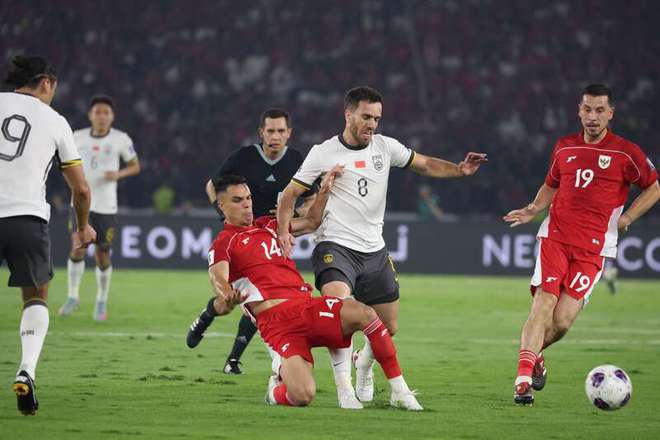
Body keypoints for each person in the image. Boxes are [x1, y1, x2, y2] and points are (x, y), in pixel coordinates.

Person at [276, 86, 487, 408]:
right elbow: (289, 194)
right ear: (348, 114)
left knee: (389, 327)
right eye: (366, 117)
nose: (372, 124)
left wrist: (459, 170)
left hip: (374, 250)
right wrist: (282, 231)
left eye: (376, 118)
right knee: (339, 311)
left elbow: (425, 164)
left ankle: (363, 364)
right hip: (335, 245)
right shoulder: (323, 153)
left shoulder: (385, 147)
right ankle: (345, 391)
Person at [206, 172, 422, 410]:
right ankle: (275, 392)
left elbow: (311, 222)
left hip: (307, 306)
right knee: (303, 395)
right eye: (237, 200)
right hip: (278, 324)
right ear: (221, 205)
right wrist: (227, 294)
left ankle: (400, 391)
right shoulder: (224, 242)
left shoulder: (270, 226)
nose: (247, 204)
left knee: (366, 314)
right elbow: (218, 278)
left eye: (248, 198)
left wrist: (324, 192)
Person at [503, 84, 659, 405]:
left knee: (561, 321)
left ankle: (535, 355)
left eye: (600, 110)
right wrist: (533, 208)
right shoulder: (564, 147)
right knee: (544, 303)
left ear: (610, 114)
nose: (593, 116)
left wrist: (628, 217)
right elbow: (551, 184)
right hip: (555, 237)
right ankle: (522, 381)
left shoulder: (626, 152)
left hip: (594, 248)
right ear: (579, 111)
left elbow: (654, 187)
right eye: (587, 109)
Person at [0, 55, 96, 415]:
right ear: (46, 82)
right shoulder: (55, 121)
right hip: (26, 218)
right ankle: (26, 369)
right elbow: (81, 189)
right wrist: (82, 227)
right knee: (35, 296)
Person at [187, 108, 315, 375]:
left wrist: (294, 216)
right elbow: (212, 186)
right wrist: (222, 214)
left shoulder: (296, 160)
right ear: (261, 133)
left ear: (289, 133)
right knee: (230, 301)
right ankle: (209, 317)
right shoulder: (244, 157)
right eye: (270, 131)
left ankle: (233, 360)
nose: (275, 136)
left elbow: (310, 198)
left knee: (266, 295)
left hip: (272, 234)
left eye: (281, 131)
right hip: (243, 236)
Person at [57, 95, 140, 321]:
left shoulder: (121, 139)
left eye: (106, 113)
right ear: (90, 115)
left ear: (112, 117)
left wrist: (118, 174)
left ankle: (101, 301)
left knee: (102, 255)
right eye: (97, 112)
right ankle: (72, 296)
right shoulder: (77, 137)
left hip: (106, 207)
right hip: (80, 204)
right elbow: (63, 163)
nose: (102, 116)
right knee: (78, 248)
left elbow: (135, 166)